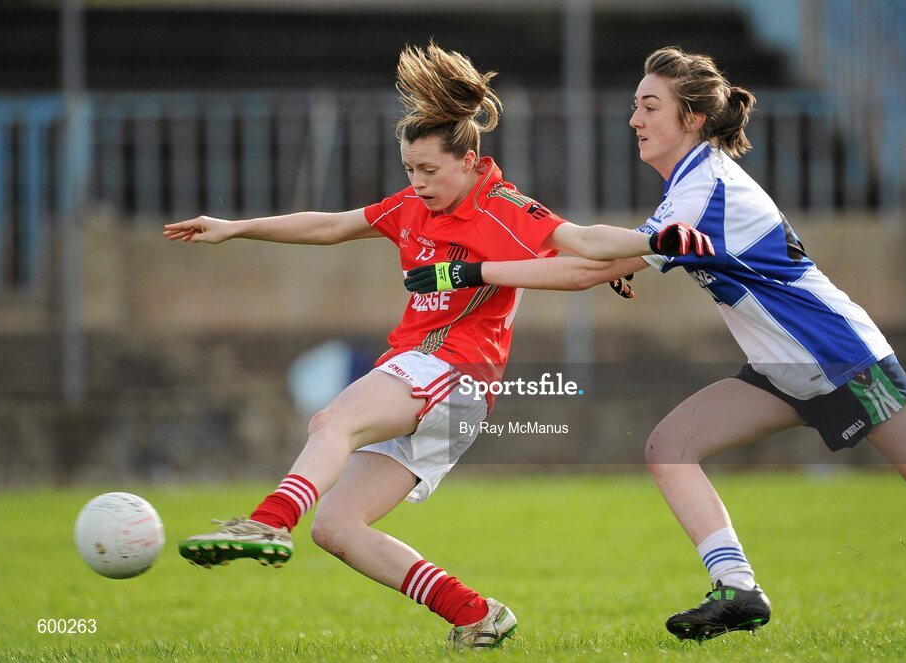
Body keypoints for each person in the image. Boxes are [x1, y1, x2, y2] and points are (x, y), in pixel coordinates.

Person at [404, 45, 906, 641]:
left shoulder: (706, 188)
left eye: (650, 106)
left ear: (691, 118)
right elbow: (615, 256)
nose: (635, 120)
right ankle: (738, 590)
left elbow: (593, 261)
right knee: (671, 446)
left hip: (837, 354)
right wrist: (606, 257)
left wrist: (475, 269)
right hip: (782, 369)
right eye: (635, 106)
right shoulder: (688, 189)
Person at [162, 42, 694, 649]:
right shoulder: (414, 206)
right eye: (409, 170)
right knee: (336, 527)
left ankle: (267, 524)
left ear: (469, 161)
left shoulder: (501, 207)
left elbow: (578, 241)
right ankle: (476, 614)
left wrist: (648, 244)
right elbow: (333, 224)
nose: (416, 184)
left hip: (452, 372)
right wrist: (237, 228)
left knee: (332, 420)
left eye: (429, 171)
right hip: (428, 382)